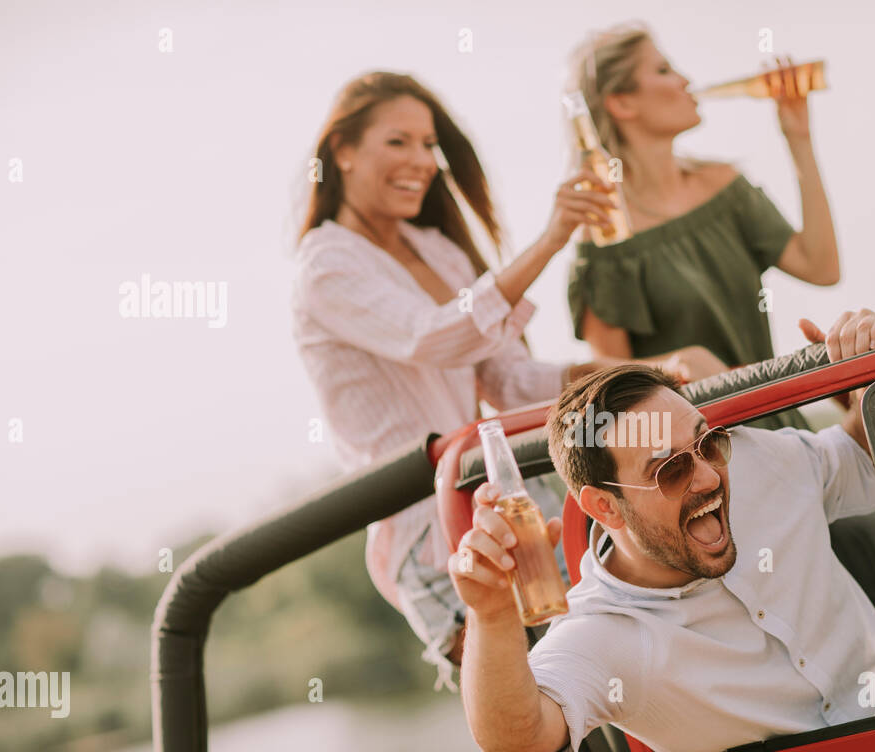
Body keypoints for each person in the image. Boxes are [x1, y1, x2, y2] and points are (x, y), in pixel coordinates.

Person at [291, 71, 723, 693]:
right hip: (434, 531)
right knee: (546, 716)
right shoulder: (326, 265)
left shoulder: (436, 249)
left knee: (628, 684)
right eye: (399, 142)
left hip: (510, 499)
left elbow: (508, 376)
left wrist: (648, 372)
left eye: (428, 145)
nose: (421, 161)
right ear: (345, 150)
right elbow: (435, 336)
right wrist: (553, 238)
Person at [450, 309, 875, 752]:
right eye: (670, 470)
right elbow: (515, 738)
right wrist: (491, 613)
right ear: (604, 508)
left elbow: (870, 463)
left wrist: (874, 365)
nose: (707, 476)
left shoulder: (754, 461)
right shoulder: (606, 633)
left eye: (706, 444)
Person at [566, 25, 843, 430]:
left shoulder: (725, 188)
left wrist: (798, 139)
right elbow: (614, 389)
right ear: (622, 103)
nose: (685, 81)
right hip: (698, 461)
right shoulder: (605, 238)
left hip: (784, 432)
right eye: (663, 70)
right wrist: (678, 367)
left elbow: (821, 268)